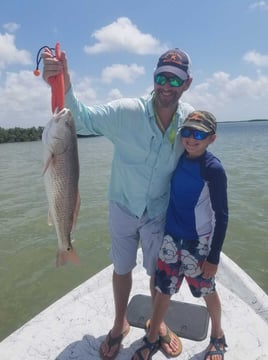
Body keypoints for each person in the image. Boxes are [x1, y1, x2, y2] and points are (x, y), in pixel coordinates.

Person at [42, 47, 194, 360]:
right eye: (161, 77)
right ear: (154, 78)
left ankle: (158, 324)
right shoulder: (127, 112)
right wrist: (62, 80)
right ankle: (118, 324)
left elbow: (202, 155)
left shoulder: (188, 122)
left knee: (157, 273)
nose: (167, 85)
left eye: (175, 80)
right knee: (122, 268)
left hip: (158, 212)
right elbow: (79, 120)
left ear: (186, 84)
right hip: (122, 206)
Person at [132, 111, 228, 360]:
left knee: (207, 290)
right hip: (171, 238)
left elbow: (223, 215)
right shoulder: (177, 158)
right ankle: (152, 337)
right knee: (163, 289)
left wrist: (214, 257)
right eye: (186, 132)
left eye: (199, 134)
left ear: (211, 138)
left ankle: (217, 335)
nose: (191, 138)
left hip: (198, 244)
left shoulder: (213, 168)